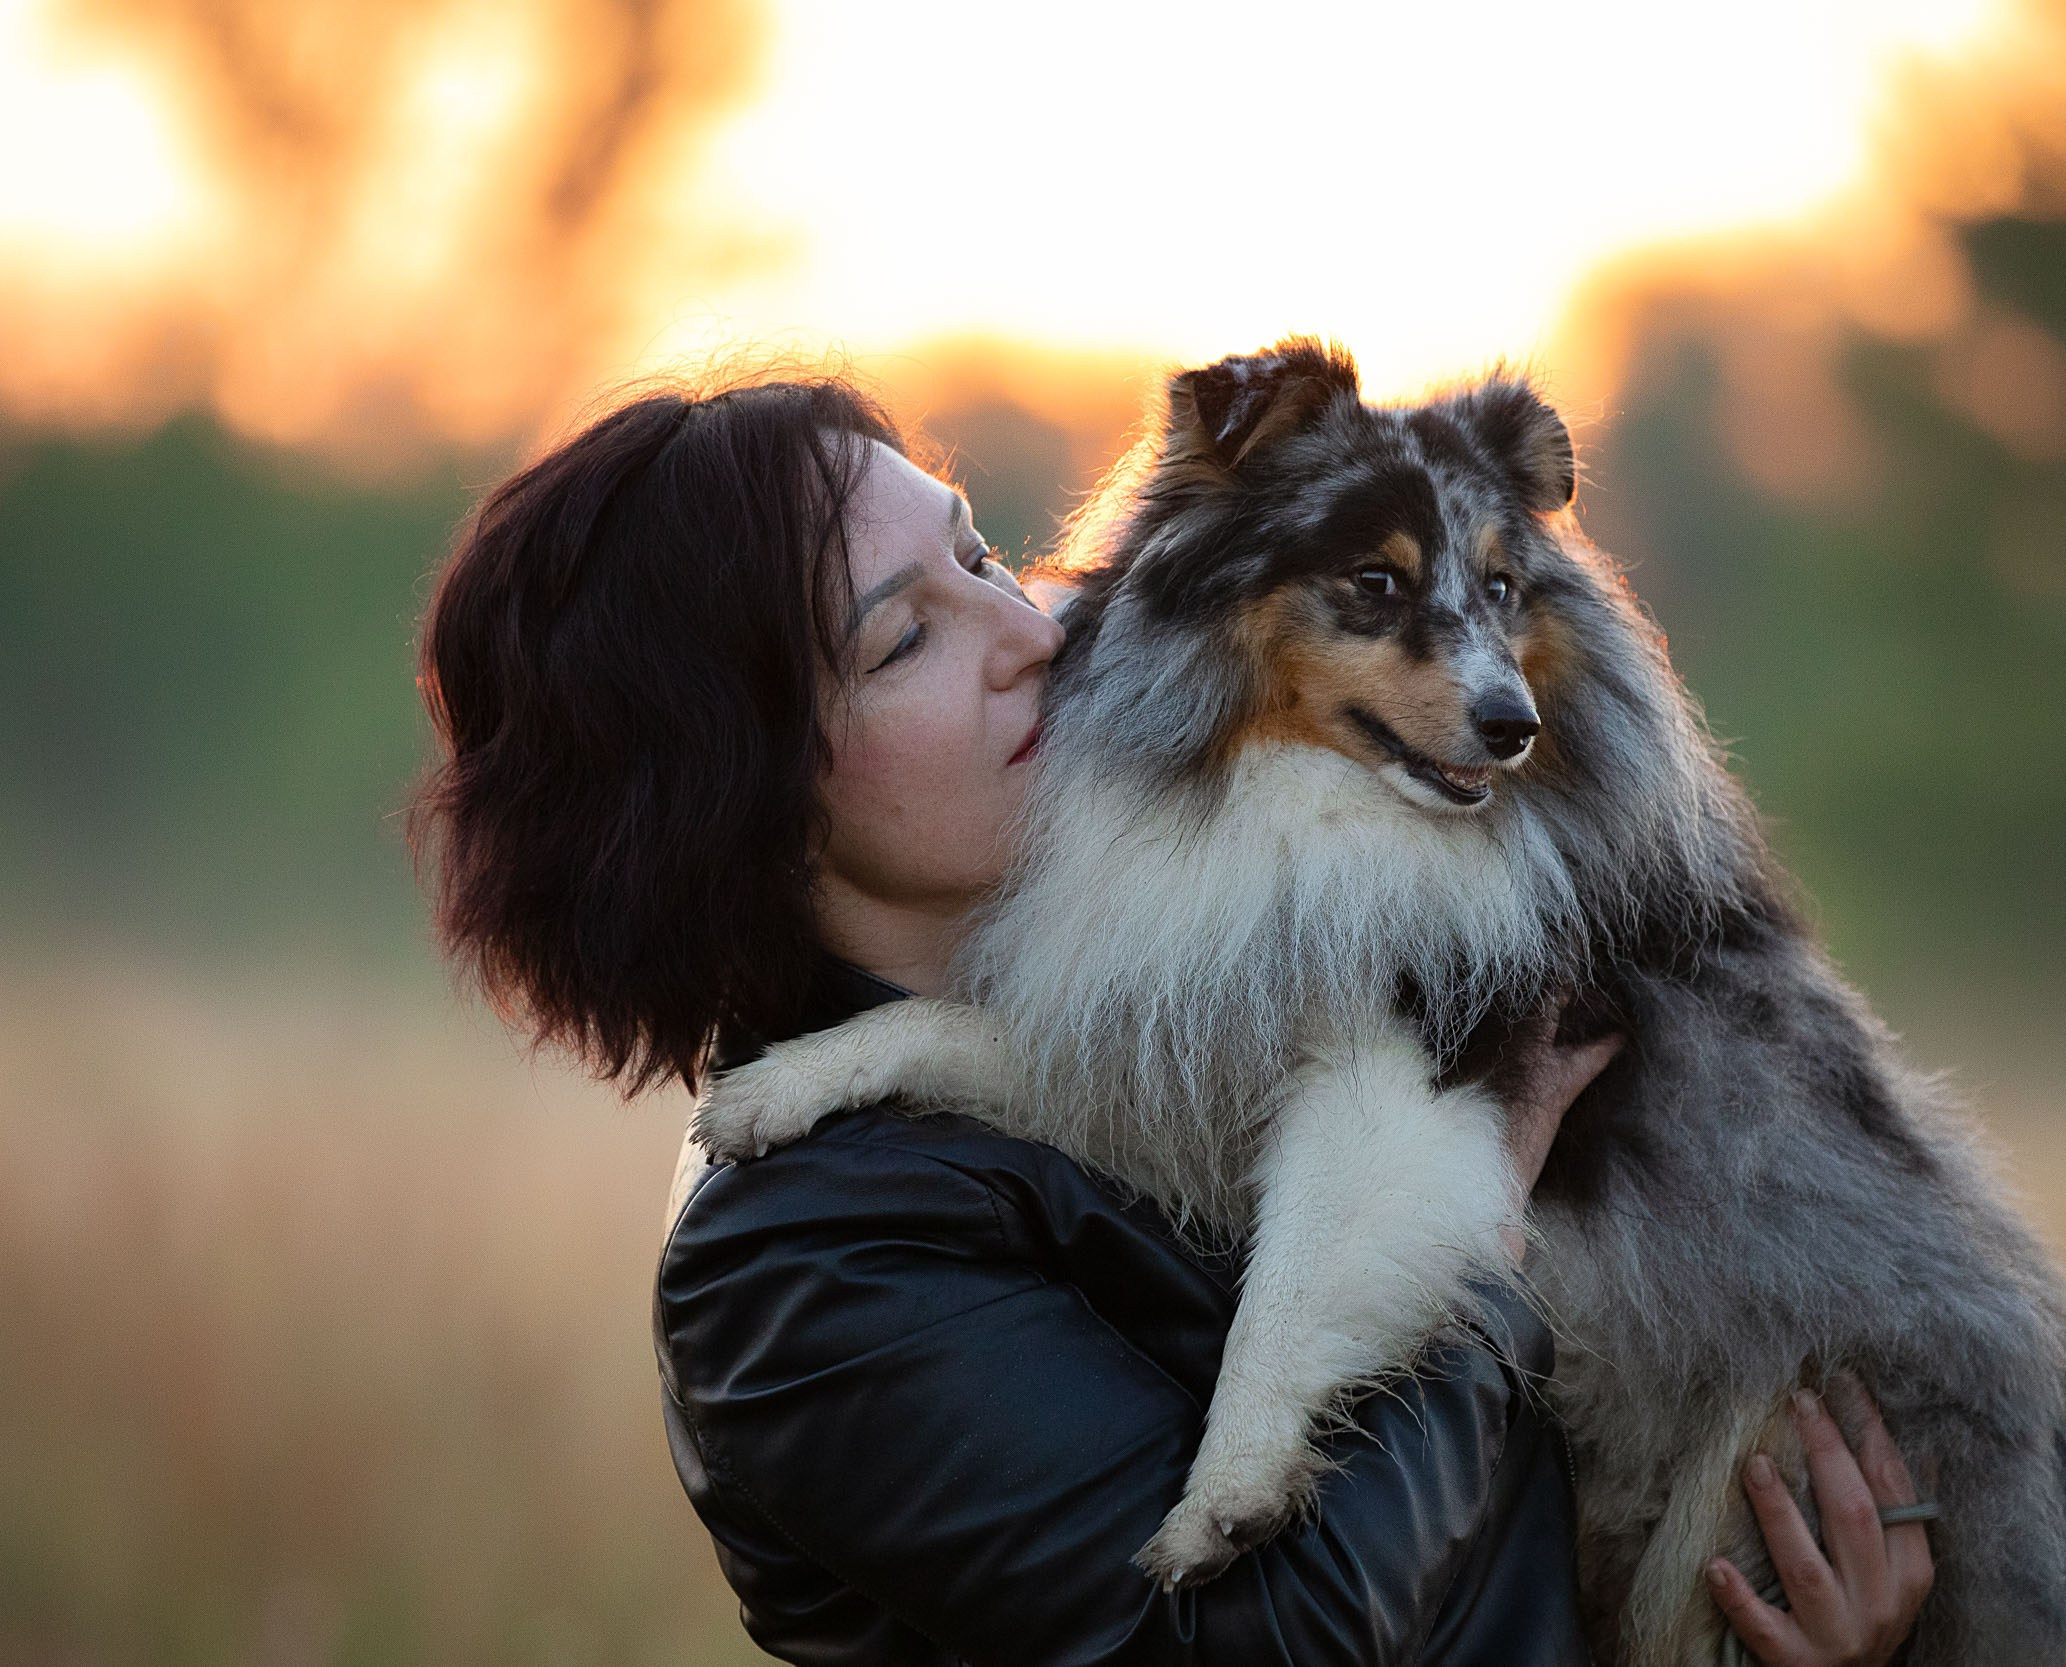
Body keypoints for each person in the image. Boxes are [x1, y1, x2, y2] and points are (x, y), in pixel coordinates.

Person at [413, 371, 1935, 1665]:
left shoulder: (1156, 1000)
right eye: (905, 641)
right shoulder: (803, 1262)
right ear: (738, 802)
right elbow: (1268, 1640)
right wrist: (1484, 1235)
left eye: (981, 555)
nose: (1031, 630)